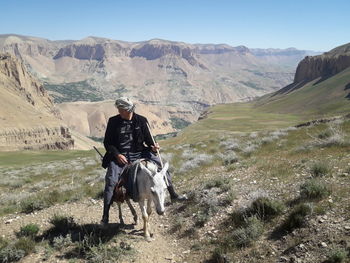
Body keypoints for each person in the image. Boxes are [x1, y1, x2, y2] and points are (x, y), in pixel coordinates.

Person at [101, 97, 186, 225]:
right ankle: (105, 215)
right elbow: (107, 143)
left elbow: (149, 140)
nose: (118, 111)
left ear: (127, 109)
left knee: (161, 167)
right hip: (121, 156)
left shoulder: (141, 121)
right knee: (111, 180)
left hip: (140, 153)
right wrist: (117, 154)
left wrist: (153, 146)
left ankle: (173, 194)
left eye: (120, 109)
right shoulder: (113, 122)